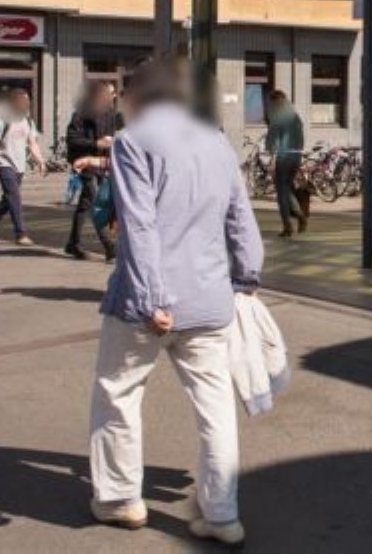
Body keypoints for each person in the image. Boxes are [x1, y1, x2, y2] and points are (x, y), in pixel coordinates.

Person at [88, 59, 263, 546]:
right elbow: (240, 218)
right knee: (215, 408)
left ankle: (120, 498)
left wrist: (151, 298)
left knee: (118, 393)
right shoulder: (217, 142)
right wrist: (246, 277)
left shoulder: (132, 142)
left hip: (146, 304)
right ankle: (222, 515)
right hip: (209, 299)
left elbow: (139, 225)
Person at [64, 81, 122, 261]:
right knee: (96, 200)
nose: (110, 97)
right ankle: (110, 247)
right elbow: (72, 140)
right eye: (106, 94)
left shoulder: (113, 115)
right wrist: (96, 143)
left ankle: (73, 243)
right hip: (85, 164)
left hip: (103, 164)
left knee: (85, 204)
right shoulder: (80, 116)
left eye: (111, 94)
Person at [0, 88, 44, 246]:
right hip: (4, 163)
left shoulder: (28, 121)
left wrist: (41, 161)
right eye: (23, 101)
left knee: (8, 200)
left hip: (19, 166)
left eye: (27, 101)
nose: (26, 104)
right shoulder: (3, 119)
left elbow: (32, 144)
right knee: (14, 197)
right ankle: (20, 234)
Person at [265, 89, 306, 238]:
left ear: (275, 101)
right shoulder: (295, 116)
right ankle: (299, 214)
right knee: (286, 188)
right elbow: (301, 137)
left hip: (284, 157)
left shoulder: (278, 116)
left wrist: (270, 153)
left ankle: (288, 225)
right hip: (297, 155)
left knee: (281, 191)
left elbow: (273, 140)